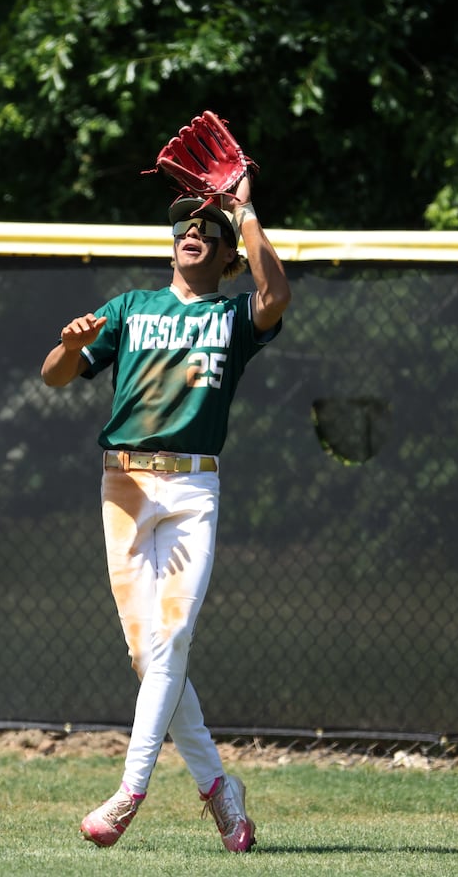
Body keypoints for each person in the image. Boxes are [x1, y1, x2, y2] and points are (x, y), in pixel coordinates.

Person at [40, 173, 290, 853]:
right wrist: (68, 344)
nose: (192, 234)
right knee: (148, 654)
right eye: (184, 227)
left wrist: (244, 214)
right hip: (123, 488)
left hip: (190, 492)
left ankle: (129, 793)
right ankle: (220, 791)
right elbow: (54, 374)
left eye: (207, 232)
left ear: (227, 254)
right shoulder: (129, 307)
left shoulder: (233, 315)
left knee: (172, 639)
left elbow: (276, 295)